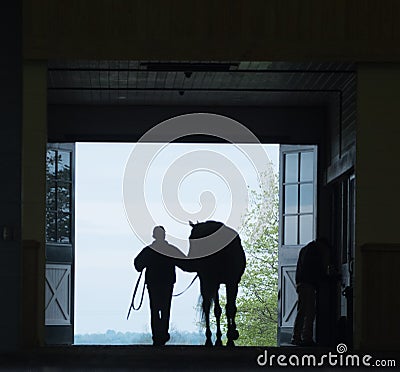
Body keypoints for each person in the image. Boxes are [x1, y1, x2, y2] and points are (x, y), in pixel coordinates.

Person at [134, 226, 184, 346]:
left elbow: (137, 265)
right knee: (165, 309)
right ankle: (163, 334)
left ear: (154, 236)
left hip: (153, 285)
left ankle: (157, 336)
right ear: (164, 235)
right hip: (167, 284)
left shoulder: (149, 250)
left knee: (155, 310)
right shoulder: (170, 250)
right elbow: (185, 262)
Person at [291, 238, 331, 346]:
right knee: (308, 312)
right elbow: (316, 270)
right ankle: (305, 337)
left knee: (302, 310)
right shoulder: (315, 252)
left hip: (302, 283)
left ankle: (297, 336)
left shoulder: (306, 249)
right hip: (308, 284)